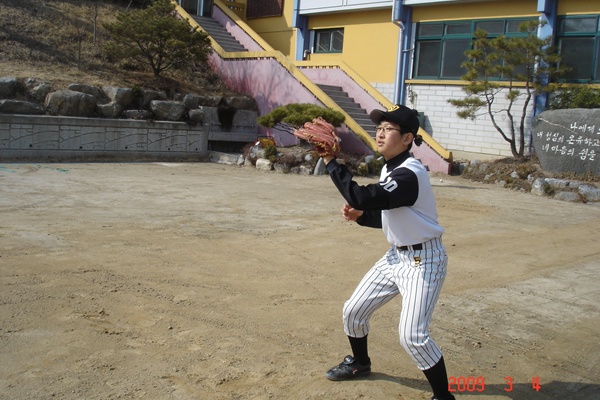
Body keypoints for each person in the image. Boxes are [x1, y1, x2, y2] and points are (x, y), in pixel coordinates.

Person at [320, 105, 455, 400]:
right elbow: (391, 215)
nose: (380, 133)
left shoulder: (409, 173)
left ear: (407, 138)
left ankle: (443, 397)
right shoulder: (390, 167)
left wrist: (331, 160)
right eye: (379, 128)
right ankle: (360, 363)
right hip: (396, 256)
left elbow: (360, 195)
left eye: (388, 128)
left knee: (413, 337)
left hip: (424, 262)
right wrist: (361, 217)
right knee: (353, 311)